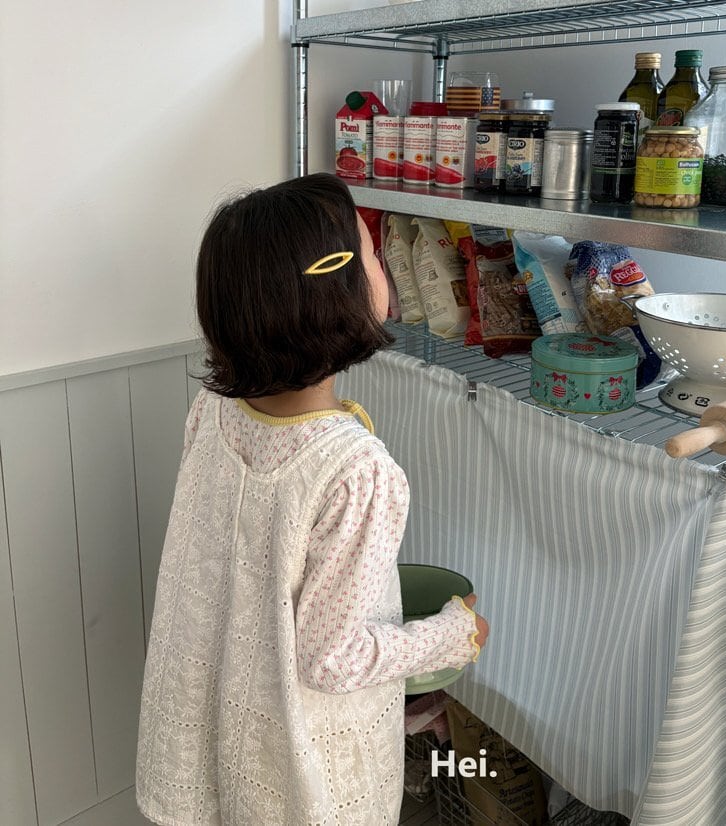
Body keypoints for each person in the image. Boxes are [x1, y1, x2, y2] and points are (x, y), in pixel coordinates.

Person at [135, 172, 489, 826]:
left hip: (213, 725)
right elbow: (332, 658)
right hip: (300, 777)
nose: (385, 266)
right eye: (373, 253)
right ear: (335, 294)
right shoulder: (357, 471)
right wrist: (452, 637)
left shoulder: (213, 411)